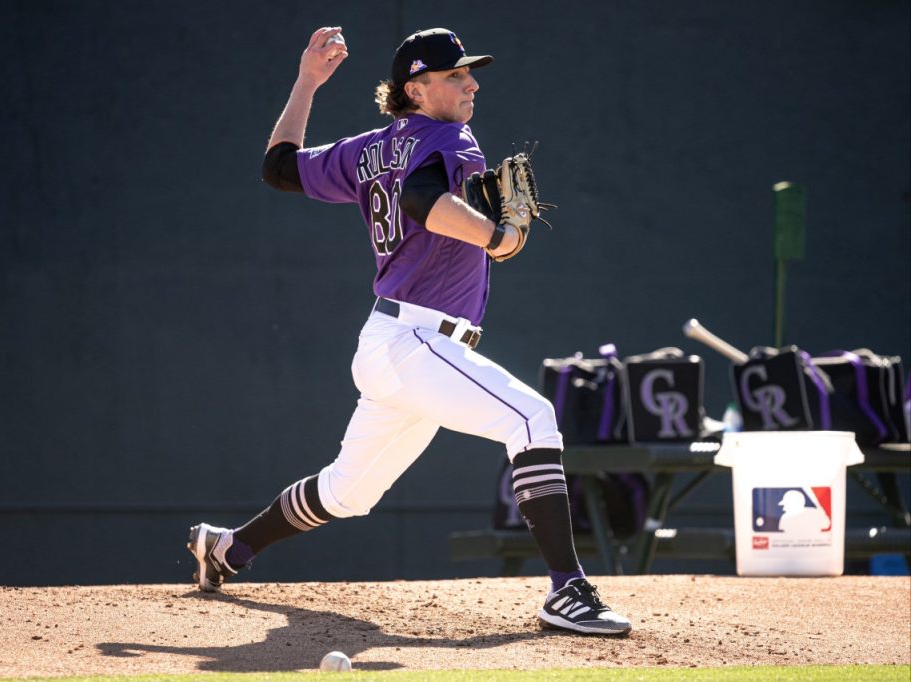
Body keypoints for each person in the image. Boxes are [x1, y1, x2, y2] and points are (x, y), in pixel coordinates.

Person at [187, 26, 631, 636]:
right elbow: (423, 200)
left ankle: (229, 547)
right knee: (532, 419)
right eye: (455, 75)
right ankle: (568, 590)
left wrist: (306, 83)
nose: (471, 83)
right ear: (416, 89)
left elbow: (278, 168)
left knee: (347, 493)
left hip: (394, 343)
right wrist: (497, 238)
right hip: (418, 341)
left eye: (468, 72)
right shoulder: (448, 136)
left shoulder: (370, 148)